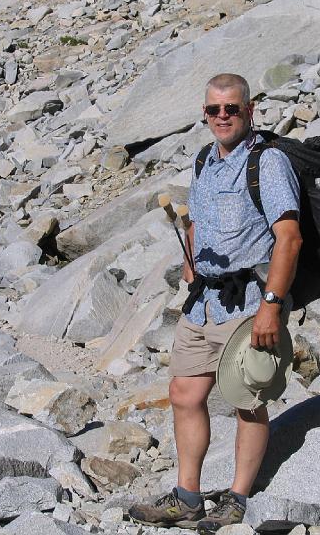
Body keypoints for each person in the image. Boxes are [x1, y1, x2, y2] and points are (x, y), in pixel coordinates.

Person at [128, 74, 302, 532]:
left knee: (248, 397)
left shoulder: (268, 163)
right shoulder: (206, 158)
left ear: (250, 110)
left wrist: (271, 305)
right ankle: (187, 497)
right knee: (185, 393)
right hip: (204, 299)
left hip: (249, 302)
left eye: (231, 108)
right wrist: (191, 257)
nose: (222, 116)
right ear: (204, 114)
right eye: (213, 110)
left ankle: (238, 498)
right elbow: (198, 218)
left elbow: (289, 238)